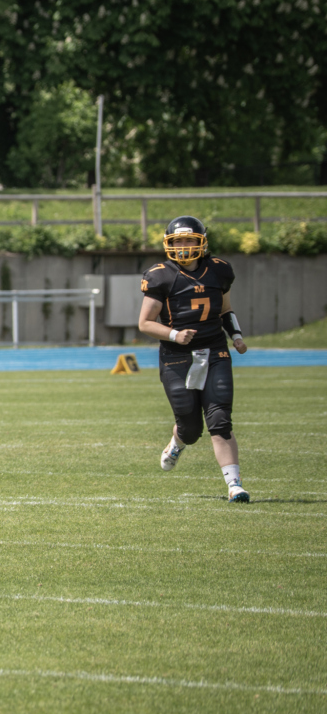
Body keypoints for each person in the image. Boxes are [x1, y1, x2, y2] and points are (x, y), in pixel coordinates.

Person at [137, 215, 250, 503]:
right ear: (169, 244)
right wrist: (175, 335)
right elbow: (145, 323)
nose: (184, 245)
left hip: (214, 350)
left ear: (202, 242)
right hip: (177, 356)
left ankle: (234, 485)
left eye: (189, 239)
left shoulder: (219, 271)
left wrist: (235, 335)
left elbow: (225, 310)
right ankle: (177, 443)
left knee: (220, 420)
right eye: (178, 241)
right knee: (190, 428)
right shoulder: (161, 275)